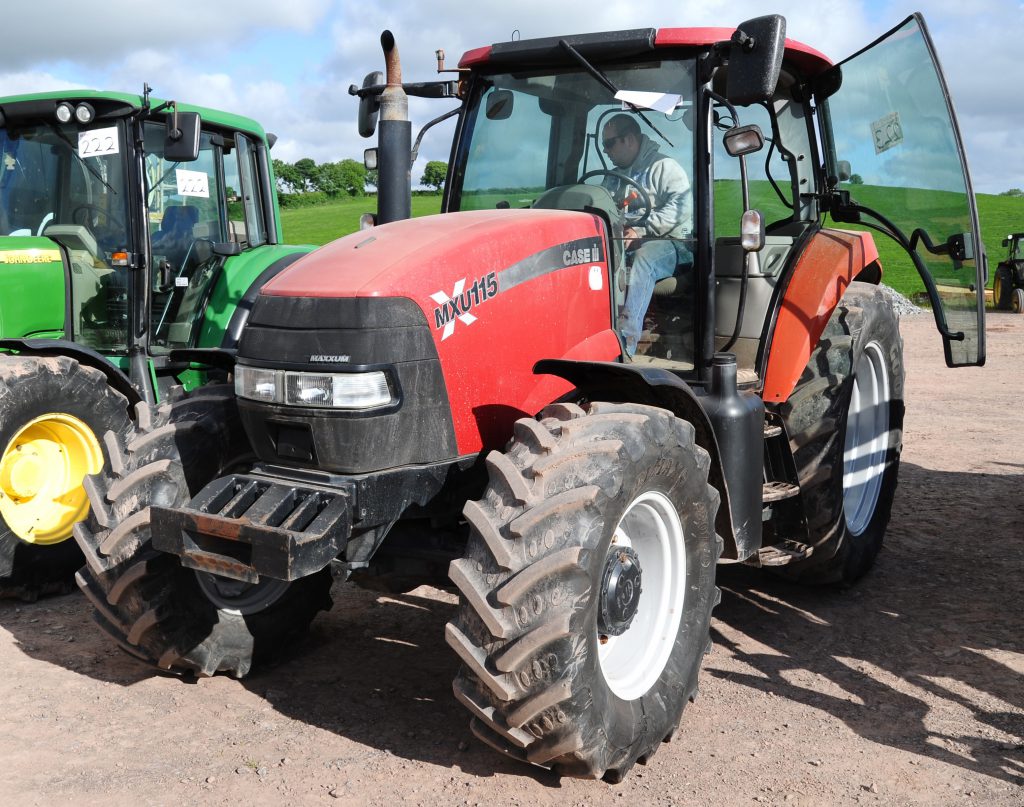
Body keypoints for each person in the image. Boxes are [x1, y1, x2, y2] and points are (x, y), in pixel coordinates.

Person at [600, 113, 692, 356]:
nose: (606, 151)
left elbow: (681, 207)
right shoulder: (612, 179)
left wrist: (642, 229)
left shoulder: (664, 167)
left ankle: (625, 348)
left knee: (644, 258)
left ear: (629, 139)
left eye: (609, 144)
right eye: (603, 146)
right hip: (625, 242)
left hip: (672, 244)